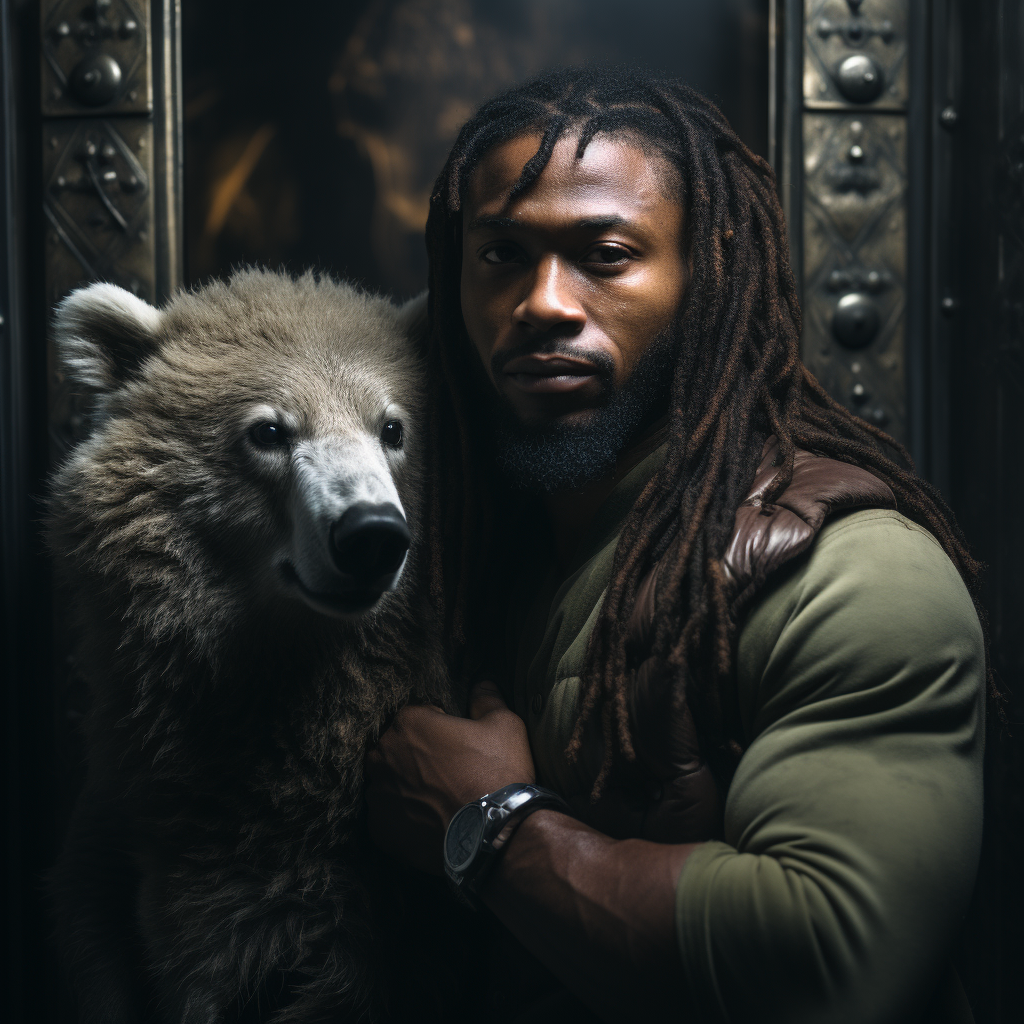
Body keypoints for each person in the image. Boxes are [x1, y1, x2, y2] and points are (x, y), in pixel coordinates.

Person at [364, 67, 987, 1024]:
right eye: (500, 255)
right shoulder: (470, 553)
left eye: (604, 255)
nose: (543, 303)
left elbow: (831, 963)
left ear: (709, 273)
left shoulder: (852, 573)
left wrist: (488, 830)